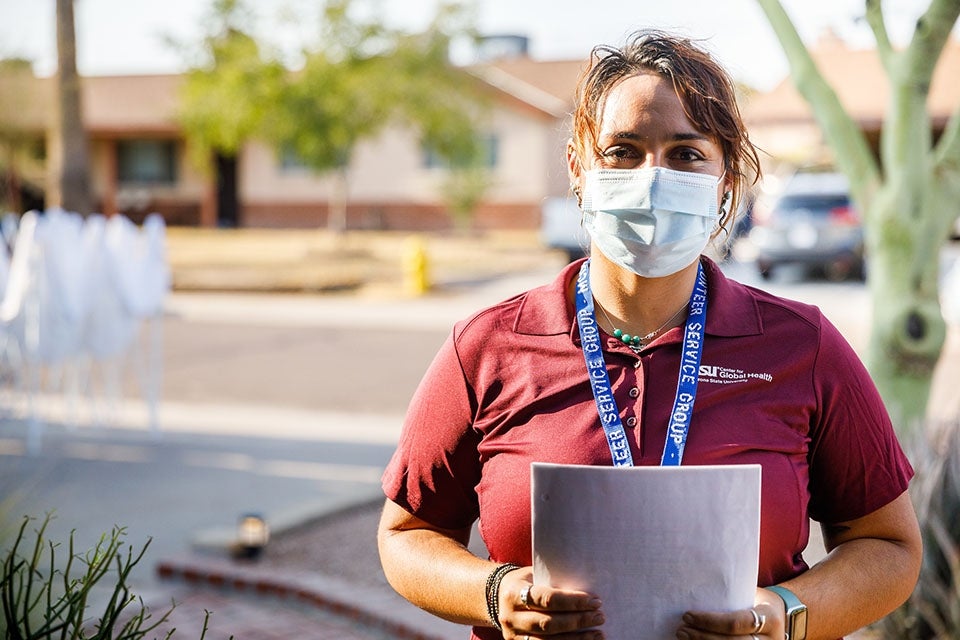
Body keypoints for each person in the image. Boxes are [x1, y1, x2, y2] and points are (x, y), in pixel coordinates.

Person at [377, 30, 922, 640]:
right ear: (579, 168)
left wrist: (783, 615)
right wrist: (495, 594)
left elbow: (889, 547)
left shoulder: (802, 346)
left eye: (686, 154)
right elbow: (407, 535)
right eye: (624, 150)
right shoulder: (488, 346)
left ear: (727, 180)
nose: (653, 177)